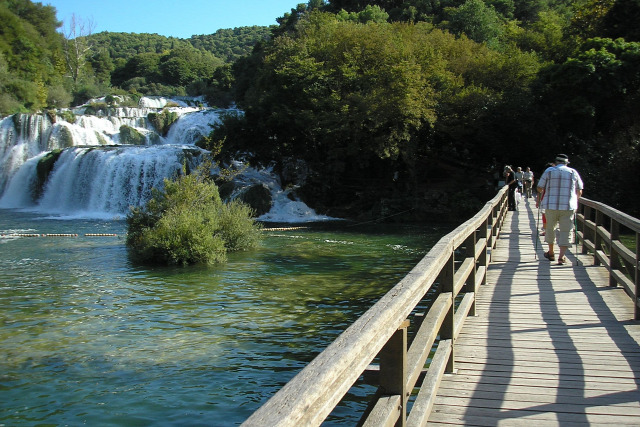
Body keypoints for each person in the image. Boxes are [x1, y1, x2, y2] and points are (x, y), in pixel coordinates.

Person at [537, 154, 584, 265]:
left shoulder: (549, 171)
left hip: (551, 206)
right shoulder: (573, 172)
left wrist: (543, 193)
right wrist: (574, 200)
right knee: (566, 230)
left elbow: (539, 187)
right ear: (567, 163)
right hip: (568, 206)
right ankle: (561, 257)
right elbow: (580, 190)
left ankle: (551, 252)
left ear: (556, 162)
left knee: (550, 228)